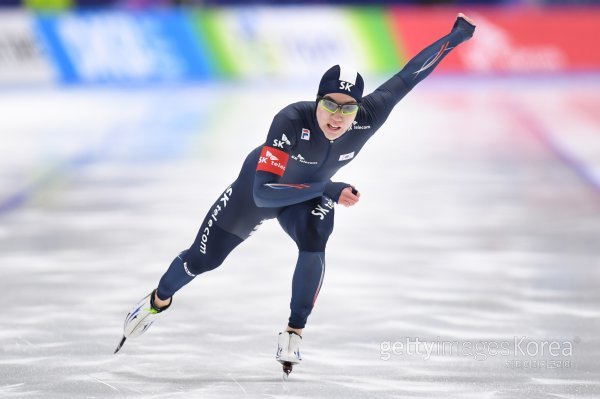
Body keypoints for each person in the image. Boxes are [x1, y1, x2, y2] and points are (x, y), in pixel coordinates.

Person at [115, 13, 476, 374]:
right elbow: (262, 194)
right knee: (202, 261)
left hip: (306, 197)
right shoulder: (291, 120)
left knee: (315, 236)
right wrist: (328, 189)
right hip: (256, 192)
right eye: (330, 104)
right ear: (316, 100)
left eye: (347, 108)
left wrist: (456, 36)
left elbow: (410, 74)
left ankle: (293, 331)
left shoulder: (369, 115)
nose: (337, 116)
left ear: (358, 108)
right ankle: (155, 303)